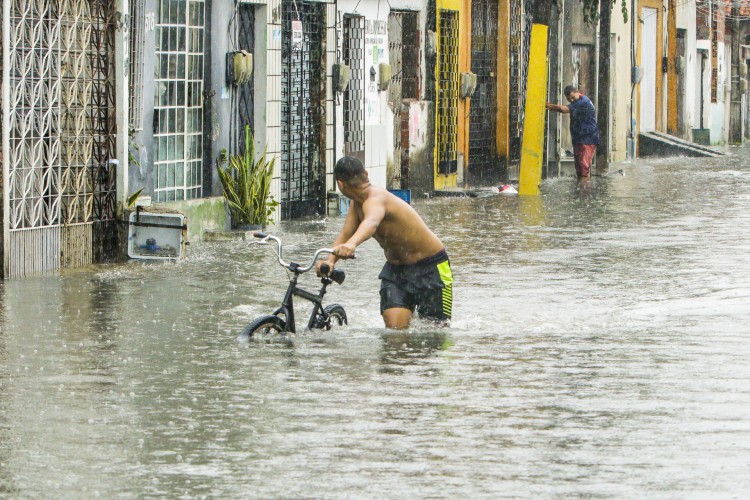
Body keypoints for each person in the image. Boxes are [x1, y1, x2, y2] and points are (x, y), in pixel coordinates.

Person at [317, 156, 453, 329]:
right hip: (396, 272)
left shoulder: (375, 199)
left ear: (340, 184)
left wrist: (352, 245)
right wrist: (330, 261)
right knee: (395, 335)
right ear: (366, 174)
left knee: (437, 334)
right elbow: (345, 233)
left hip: (432, 267)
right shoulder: (357, 203)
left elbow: (371, 222)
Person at [546, 85, 600, 178]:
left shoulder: (583, 102)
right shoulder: (578, 101)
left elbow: (563, 109)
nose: (571, 100)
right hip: (579, 138)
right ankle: (581, 187)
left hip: (587, 138)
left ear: (578, 92)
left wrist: (546, 105)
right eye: (568, 99)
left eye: (573, 97)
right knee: (579, 167)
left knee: (583, 166)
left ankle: (584, 188)